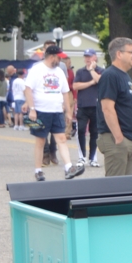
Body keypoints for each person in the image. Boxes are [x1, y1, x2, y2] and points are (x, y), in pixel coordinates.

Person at [22, 45, 85, 181]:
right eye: (58, 58)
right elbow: (28, 89)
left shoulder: (60, 71)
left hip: (56, 111)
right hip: (40, 111)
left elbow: (65, 92)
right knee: (40, 141)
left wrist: (68, 112)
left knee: (61, 138)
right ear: (51, 57)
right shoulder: (36, 69)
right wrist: (32, 109)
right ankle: (38, 170)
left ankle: (69, 168)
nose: (60, 60)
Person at [96, 38, 132, 176]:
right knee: (115, 186)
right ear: (119, 54)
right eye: (131, 52)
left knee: (126, 186)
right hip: (116, 140)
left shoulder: (125, 76)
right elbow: (107, 108)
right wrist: (119, 138)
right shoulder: (110, 75)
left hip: (130, 139)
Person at [72, 49, 102, 166]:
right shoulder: (80, 72)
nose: (87, 59)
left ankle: (93, 158)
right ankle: (82, 157)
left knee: (95, 132)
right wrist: (90, 83)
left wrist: (91, 70)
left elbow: (99, 80)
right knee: (81, 130)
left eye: (90, 56)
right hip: (83, 106)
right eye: (86, 57)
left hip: (96, 106)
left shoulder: (101, 70)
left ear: (95, 57)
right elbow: (75, 86)